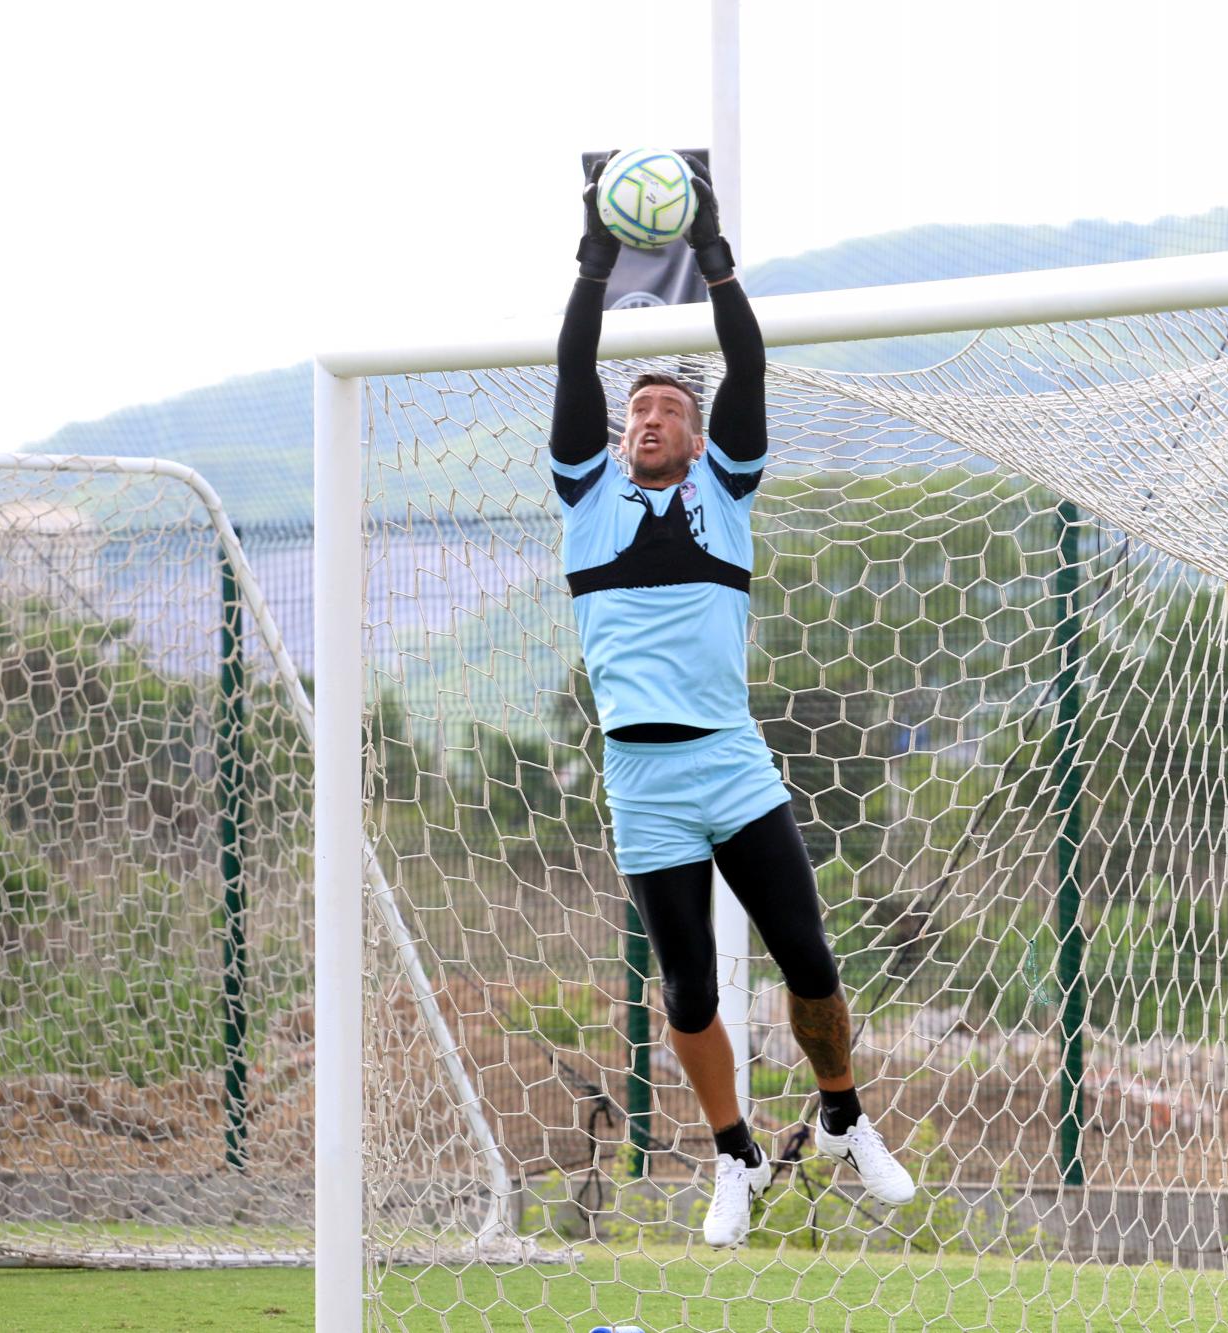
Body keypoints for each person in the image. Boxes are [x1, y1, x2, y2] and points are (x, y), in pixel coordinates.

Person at [548, 154, 917, 1249]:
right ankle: (734, 1155)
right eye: (639, 410)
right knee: (689, 993)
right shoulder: (584, 495)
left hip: (729, 761)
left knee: (807, 959)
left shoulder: (724, 486)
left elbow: (743, 357)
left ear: (703, 440)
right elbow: (576, 359)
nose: (648, 418)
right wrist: (592, 260)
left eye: (667, 407)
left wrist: (713, 257)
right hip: (643, 777)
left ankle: (845, 1115)